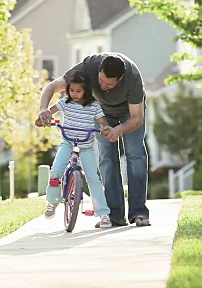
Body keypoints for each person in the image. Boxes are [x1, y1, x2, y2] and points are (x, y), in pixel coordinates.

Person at [38, 53, 150, 228]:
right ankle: (114, 215)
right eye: (101, 80)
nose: (102, 86)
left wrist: (119, 129)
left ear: (119, 79)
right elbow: (52, 86)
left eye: (109, 84)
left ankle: (139, 213)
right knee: (106, 159)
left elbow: (137, 118)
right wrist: (43, 108)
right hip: (102, 113)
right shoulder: (89, 67)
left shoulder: (133, 79)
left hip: (129, 111)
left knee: (135, 155)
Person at [36, 71, 113, 229]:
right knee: (56, 170)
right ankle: (52, 200)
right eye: (72, 90)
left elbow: (103, 121)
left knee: (93, 178)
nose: (75, 94)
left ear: (86, 90)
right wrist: (42, 118)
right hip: (67, 143)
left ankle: (103, 214)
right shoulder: (65, 103)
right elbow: (49, 112)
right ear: (67, 90)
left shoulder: (94, 106)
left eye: (79, 91)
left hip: (85, 146)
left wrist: (105, 127)